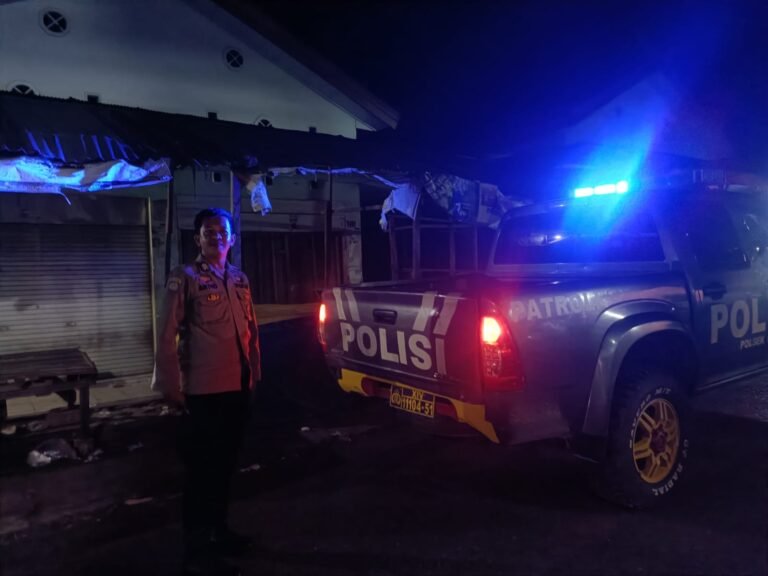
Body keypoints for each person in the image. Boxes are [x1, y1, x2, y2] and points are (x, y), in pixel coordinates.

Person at [152, 207, 260, 576]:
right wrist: (170, 385)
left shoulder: (240, 279)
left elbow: (251, 332)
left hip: (237, 389)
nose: (216, 236)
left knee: (225, 467)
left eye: (222, 231)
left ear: (232, 239)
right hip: (202, 392)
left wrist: (254, 376)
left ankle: (219, 532)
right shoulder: (184, 277)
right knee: (201, 472)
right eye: (208, 231)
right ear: (197, 239)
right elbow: (166, 334)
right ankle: (196, 551)